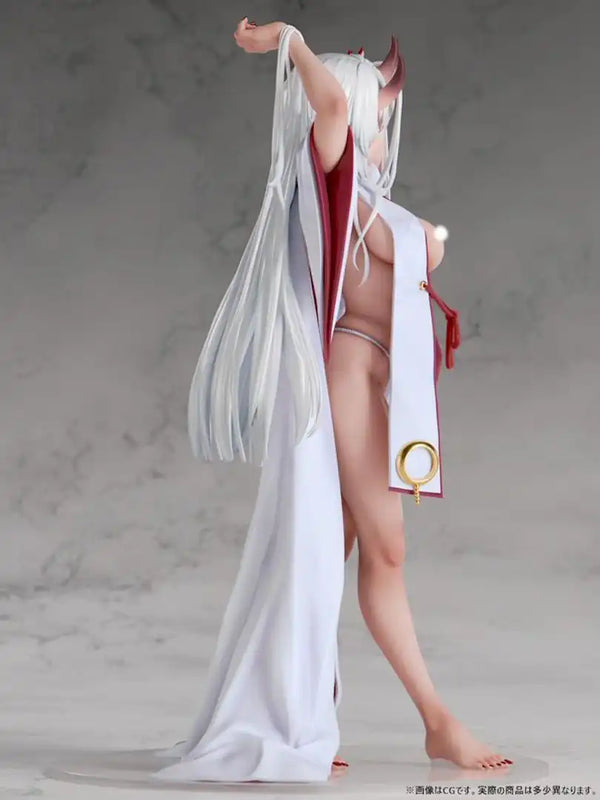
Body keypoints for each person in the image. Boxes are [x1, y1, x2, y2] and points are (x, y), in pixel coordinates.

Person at [152, 20, 512, 783]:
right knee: (387, 549)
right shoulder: (330, 179)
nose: (381, 128)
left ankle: (298, 713)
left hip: (380, 378)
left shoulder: (368, 196)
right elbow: (334, 111)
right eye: (377, 112)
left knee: (324, 555)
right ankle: (438, 721)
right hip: (351, 372)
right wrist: (289, 41)